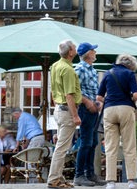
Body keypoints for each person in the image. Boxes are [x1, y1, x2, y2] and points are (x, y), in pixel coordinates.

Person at [96, 54, 137, 189]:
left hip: (109, 110)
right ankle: (131, 181)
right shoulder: (129, 74)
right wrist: (128, 99)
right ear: (131, 65)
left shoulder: (108, 74)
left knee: (110, 147)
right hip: (126, 109)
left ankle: (110, 182)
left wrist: (110, 101)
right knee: (129, 145)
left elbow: (99, 97)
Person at [48, 40, 82, 188]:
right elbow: (69, 95)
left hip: (59, 108)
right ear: (70, 52)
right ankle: (54, 179)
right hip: (67, 110)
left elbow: (54, 90)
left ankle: (59, 178)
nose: (76, 49)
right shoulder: (68, 70)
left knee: (61, 146)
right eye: (74, 47)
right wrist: (75, 115)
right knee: (62, 148)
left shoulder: (55, 66)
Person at [74, 42, 105, 186]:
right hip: (85, 110)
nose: (95, 52)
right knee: (86, 142)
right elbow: (75, 91)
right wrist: (87, 102)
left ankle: (90, 174)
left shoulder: (92, 69)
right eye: (93, 50)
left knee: (93, 142)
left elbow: (93, 90)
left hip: (93, 109)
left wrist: (98, 102)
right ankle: (79, 175)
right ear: (88, 53)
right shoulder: (79, 69)